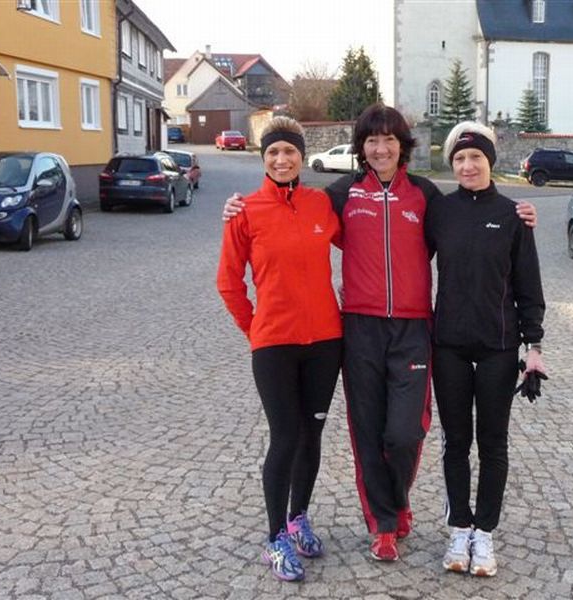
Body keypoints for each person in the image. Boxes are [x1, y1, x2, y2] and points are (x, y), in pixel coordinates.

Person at [223, 104, 538, 562]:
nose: (380, 148)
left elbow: (469, 220)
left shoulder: (426, 195)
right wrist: (236, 208)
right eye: (372, 140)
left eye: (389, 139)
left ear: (401, 145)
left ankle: (399, 500)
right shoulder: (340, 195)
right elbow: (295, 212)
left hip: (412, 328)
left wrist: (517, 213)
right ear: (362, 148)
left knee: (404, 433)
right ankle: (384, 525)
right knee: (367, 432)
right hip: (359, 327)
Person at [216, 116, 342, 582]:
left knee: (312, 436)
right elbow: (228, 282)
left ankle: (298, 517)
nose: (282, 159)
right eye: (273, 152)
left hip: (326, 341)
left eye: (289, 151)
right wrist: (256, 329)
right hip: (274, 346)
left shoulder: (320, 204)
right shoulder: (244, 211)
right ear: (263, 158)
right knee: (285, 436)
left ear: (302, 157)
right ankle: (275, 537)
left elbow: (367, 233)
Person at [425, 121, 547, 577]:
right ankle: (459, 528)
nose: (467, 165)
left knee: (493, 442)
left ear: (490, 162)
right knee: (456, 442)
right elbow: (404, 253)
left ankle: (485, 533)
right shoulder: (441, 212)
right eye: (459, 159)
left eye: (475, 157)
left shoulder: (514, 215)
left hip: (498, 345)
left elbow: (528, 285)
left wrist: (534, 345)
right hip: (449, 345)